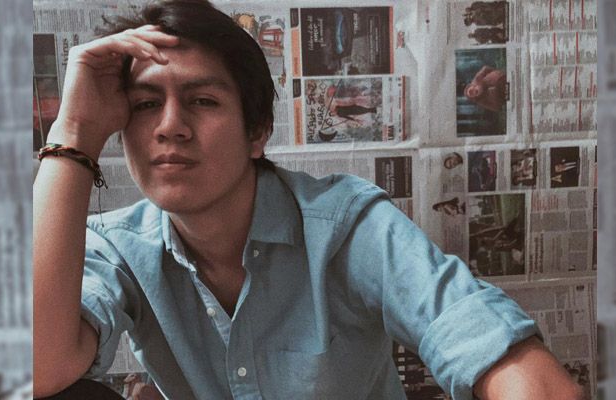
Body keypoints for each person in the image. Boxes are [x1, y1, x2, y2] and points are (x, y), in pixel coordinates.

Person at [33, 1, 584, 399]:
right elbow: (36, 368)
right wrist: (74, 133)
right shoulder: (119, 247)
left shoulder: (346, 226)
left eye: (202, 101)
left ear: (257, 132)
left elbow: (491, 347)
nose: (170, 126)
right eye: (146, 104)